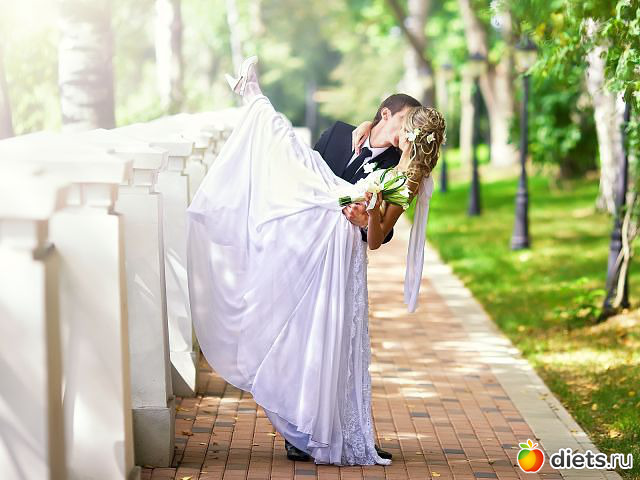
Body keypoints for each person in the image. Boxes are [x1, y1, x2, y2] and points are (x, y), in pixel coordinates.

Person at [187, 57, 445, 466]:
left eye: (413, 131)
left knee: (335, 347)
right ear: (385, 115)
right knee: (294, 339)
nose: (405, 134)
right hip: (301, 250)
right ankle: (298, 426)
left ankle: (337, 431)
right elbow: (301, 182)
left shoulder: (401, 173)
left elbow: (377, 237)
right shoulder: (341, 134)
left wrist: (364, 219)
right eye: (404, 123)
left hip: (341, 262)